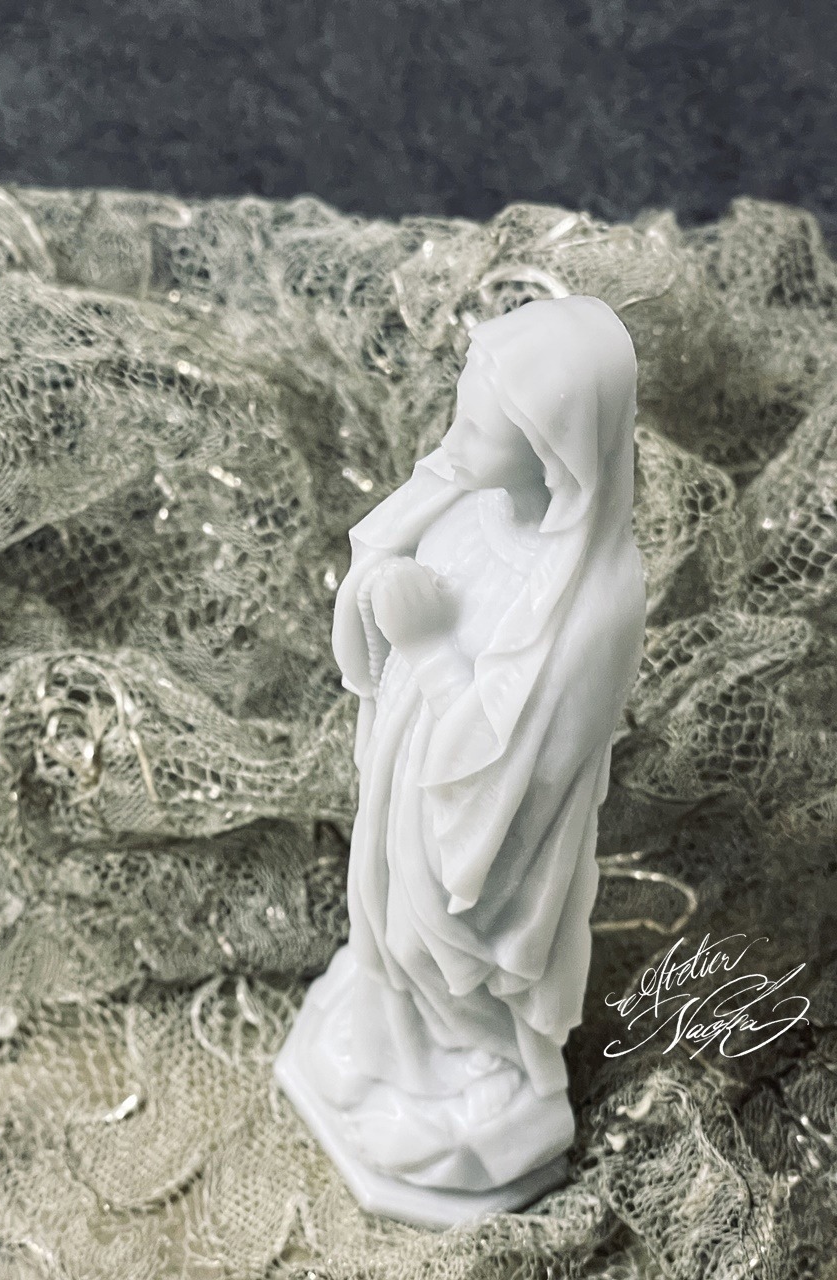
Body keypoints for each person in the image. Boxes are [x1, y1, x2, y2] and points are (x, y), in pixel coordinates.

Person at [275, 294, 646, 1220]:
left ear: (553, 449)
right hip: (404, 778)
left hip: (485, 831)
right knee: (381, 920)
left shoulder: (594, 602)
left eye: (480, 430)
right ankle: (393, 1050)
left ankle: (483, 1071)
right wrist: (380, 586)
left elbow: (528, 771)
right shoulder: (463, 493)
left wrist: (433, 648)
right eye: (462, 413)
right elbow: (382, 557)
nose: (453, 441)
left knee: (440, 944)